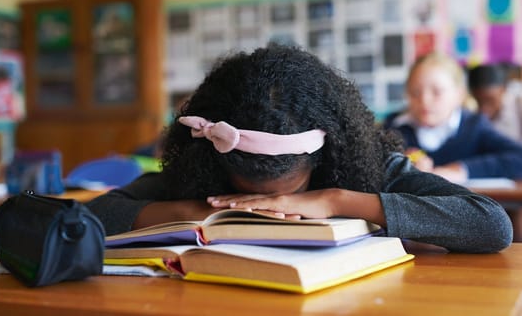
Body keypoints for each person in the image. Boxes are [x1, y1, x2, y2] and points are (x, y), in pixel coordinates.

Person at [87, 44, 512, 253]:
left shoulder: (365, 170)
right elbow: (88, 218)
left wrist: (334, 200)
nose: (270, 205)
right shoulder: (200, 173)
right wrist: (188, 212)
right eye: (253, 190)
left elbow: (492, 225)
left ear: (324, 155)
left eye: (285, 191)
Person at [383, 52, 522, 184]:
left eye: (437, 92)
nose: (424, 101)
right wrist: (398, 165)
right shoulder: (393, 127)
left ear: (459, 95)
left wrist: (462, 170)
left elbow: (518, 156)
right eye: (415, 92)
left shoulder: (474, 126)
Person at [468, 63, 522, 142]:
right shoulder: (469, 113)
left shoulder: (518, 107)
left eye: (490, 100)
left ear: (503, 90)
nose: (483, 108)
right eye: (478, 100)